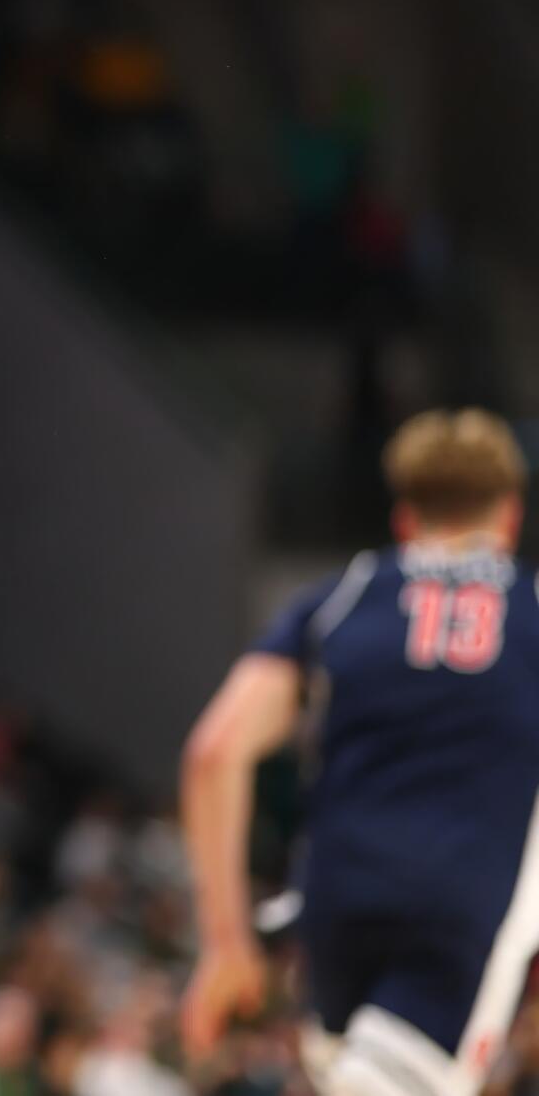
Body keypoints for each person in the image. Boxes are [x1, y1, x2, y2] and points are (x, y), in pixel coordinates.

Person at [181, 409, 539, 1096]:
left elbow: (214, 751)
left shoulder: (344, 595)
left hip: (336, 904)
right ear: (511, 515)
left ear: (405, 520)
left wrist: (225, 941)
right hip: (464, 902)